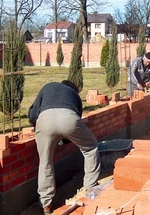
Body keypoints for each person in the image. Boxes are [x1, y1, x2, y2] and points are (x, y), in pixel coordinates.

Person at [28, 80, 101, 214]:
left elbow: (33, 113)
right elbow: (76, 120)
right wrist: (64, 140)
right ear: (72, 88)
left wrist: (36, 127)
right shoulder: (74, 94)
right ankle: (91, 188)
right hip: (69, 119)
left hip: (44, 121)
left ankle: (46, 205)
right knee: (90, 148)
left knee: (45, 162)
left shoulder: (47, 86)